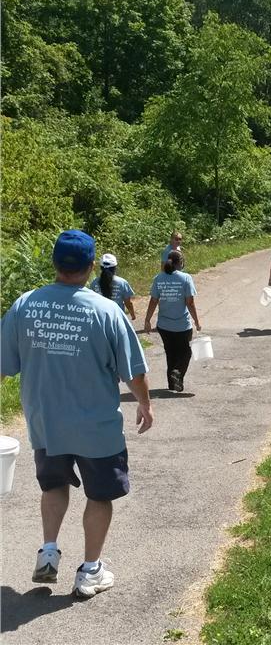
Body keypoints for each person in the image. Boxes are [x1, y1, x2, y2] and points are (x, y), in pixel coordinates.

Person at [0, 230, 153, 598]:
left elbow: (5, 365)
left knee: (54, 486)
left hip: (45, 423)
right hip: (95, 427)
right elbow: (133, 371)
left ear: (54, 263)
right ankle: (89, 571)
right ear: (90, 266)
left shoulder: (24, 304)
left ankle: (48, 550)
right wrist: (145, 404)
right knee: (99, 495)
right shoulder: (106, 310)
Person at [145, 250, 201, 392]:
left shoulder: (159, 278)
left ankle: (172, 384)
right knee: (185, 353)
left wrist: (147, 320)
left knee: (171, 353)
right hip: (182, 325)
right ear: (180, 263)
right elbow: (190, 303)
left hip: (164, 325)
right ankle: (178, 373)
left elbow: (153, 300)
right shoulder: (186, 278)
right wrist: (196, 321)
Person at [90, 253, 136, 320]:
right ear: (115, 267)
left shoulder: (94, 283)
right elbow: (128, 303)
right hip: (117, 318)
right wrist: (133, 315)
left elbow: (92, 302)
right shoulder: (122, 283)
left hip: (100, 318)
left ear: (101, 268)